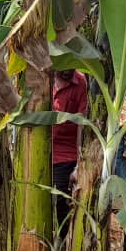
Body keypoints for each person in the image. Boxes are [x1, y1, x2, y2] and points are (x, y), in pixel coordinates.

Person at [52, 69, 88, 231]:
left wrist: (79, 165)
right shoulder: (40, 73)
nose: (67, 70)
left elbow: (81, 122)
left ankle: (61, 248)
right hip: (38, 152)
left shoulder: (80, 81)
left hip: (66, 155)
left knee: (61, 205)